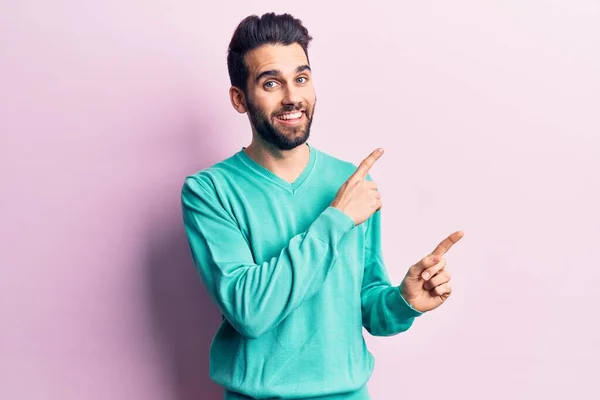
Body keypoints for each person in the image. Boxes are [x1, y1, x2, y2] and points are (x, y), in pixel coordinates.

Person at [181, 12, 464, 400]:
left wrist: (404, 302)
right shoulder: (210, 191)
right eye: (270, 83)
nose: (292, 96)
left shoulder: (353, 183)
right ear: (239, 99)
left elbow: (366, 304)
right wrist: (335, 219)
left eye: (301, 78)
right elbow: (250, 311)